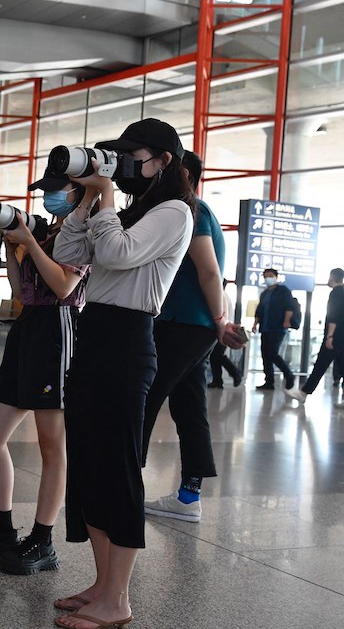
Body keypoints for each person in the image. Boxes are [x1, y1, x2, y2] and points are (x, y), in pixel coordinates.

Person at [52, 118, 194, 629]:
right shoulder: (129, 212)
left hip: (129, 342)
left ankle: (118, 600)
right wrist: (88, 203)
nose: (127, 165)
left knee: (116, 468)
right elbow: (68, 257)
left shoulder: (176, 212)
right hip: (95, 338)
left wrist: (107, 200)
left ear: (164, 161)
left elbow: (116, 254)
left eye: (135, 156)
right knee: (89, 466)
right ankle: (100, 583)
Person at [0, 185, 89, 577]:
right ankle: (2, 525)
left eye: (57, 187)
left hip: (59, 331)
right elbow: (21, 292)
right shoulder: (49, 233)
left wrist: (29, 241)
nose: (50, 195)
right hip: (29, 329)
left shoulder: (83, 233)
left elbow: (64, 287)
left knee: (52, 445)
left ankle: (44, 539)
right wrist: (13, 251)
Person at [140, 150, 245, 524]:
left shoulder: (192, 209)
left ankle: (124, 485)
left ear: (182, 172)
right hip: (188, 323)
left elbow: (210, 272)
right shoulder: (184, 211)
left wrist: (219, 321)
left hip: (187, 324)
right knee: (189, 406)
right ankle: (189, 495)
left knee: (145, 394)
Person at [286, 268, 344, 404]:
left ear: (332, 277)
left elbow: (333, 316)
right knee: (341, 365)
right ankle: (304, 392)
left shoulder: (336, 293)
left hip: (335, 336)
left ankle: (304, 392)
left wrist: (330, 336)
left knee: (321, 364)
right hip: (342, 337)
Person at [252, 267, 296, 390]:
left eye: (270, 276)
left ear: (276, 277)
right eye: (265, 276)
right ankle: (269, 382)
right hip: (265, 328)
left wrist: (287, 320)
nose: (267, 279)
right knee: (265, 355)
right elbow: (259, 311)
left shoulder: (283, 291)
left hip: (278, 327)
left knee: (273, 353)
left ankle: (289, 375)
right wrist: (255, 324)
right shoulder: (264, 294)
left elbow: (289, 307)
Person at [208, 280, 243, 389]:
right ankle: (217, 381)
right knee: (215, 357)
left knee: (218, 356)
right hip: (221, 329)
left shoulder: (220, 296)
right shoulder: (224, 296)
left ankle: (235, 373)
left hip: (222, 330)